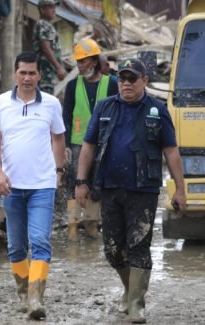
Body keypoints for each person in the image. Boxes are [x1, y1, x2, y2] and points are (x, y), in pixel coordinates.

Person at [74, 58, 186, 324]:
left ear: (144, 81)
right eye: (122, 78)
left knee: (139, 246)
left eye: (132, 79)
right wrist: (80, 182)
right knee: (113, 249)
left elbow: (171, 151)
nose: (126, 83)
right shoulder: (105, 107)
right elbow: (88, 147)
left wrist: (180, 189)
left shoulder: (157, 110)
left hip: (143, 190)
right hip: (110, 188)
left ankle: (137, 304)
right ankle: (129, 288)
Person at [0, 52, 66, 320]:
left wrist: (58, 170)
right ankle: (22, 292)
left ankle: (35, 298)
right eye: (23, 72)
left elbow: (58, 138)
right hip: (11, 186)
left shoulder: (52, 104)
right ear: (14, 74)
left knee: (41, 241)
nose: (28, 78)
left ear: (39, 75)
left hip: (42, 185)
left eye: (33, 73)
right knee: (17, 246)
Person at [62, 37, 118, 241]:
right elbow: (66, 117)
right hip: (78, 143)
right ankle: (73, 228)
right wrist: (66, 145)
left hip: (104, 143)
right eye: (78, 62)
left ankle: (92, 226)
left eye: (83, 61)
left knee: (97, 185)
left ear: (93, 62)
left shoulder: (111, 84)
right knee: (74, 184)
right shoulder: (71, 87)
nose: (79, 65)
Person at [32, 0, 66, 94]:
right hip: (45, 71)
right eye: (51, 7)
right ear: (42, 10)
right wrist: (58, 67)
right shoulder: (42, 24)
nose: (54, 10)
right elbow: (45, 48)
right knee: (45, 98)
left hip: (49, 71)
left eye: (54, 7)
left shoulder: (48, 25)